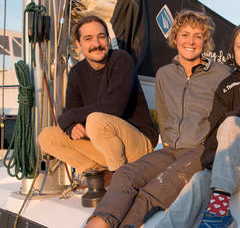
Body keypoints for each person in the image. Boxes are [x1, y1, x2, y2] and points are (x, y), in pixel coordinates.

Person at [84, 10, 230, 228]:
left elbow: (229, 117)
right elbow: (163, 112)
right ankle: (97, 224)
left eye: (198, 36)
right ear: (175, 38)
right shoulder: (164, 74)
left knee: (159, 185)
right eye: (185, 34)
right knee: (125, 174)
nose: (191, 41)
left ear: (205, 41)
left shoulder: (221, 74)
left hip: (201, 149)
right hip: (170, 148)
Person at [156, 20, 240, 228]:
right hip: (235, 168)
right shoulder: (227, 85)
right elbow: (215, 130)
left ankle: (218, 212)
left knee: (233, 122)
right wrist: (211, 162)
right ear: (233, 50)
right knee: (200, 178)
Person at [38, 15, 157, 175]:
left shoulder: (121, 60)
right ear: (79, 44)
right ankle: (99, 176)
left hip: (139, 144)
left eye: (102, 37)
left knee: (96, 120)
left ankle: (121, 181)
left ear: (108, 40)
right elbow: (71, 110)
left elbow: (114, 108)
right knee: (47, 137)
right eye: (88, 39)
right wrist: (71, 126)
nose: (97, 44)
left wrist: (68, 117)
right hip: (103, 144)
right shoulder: (77, 72)